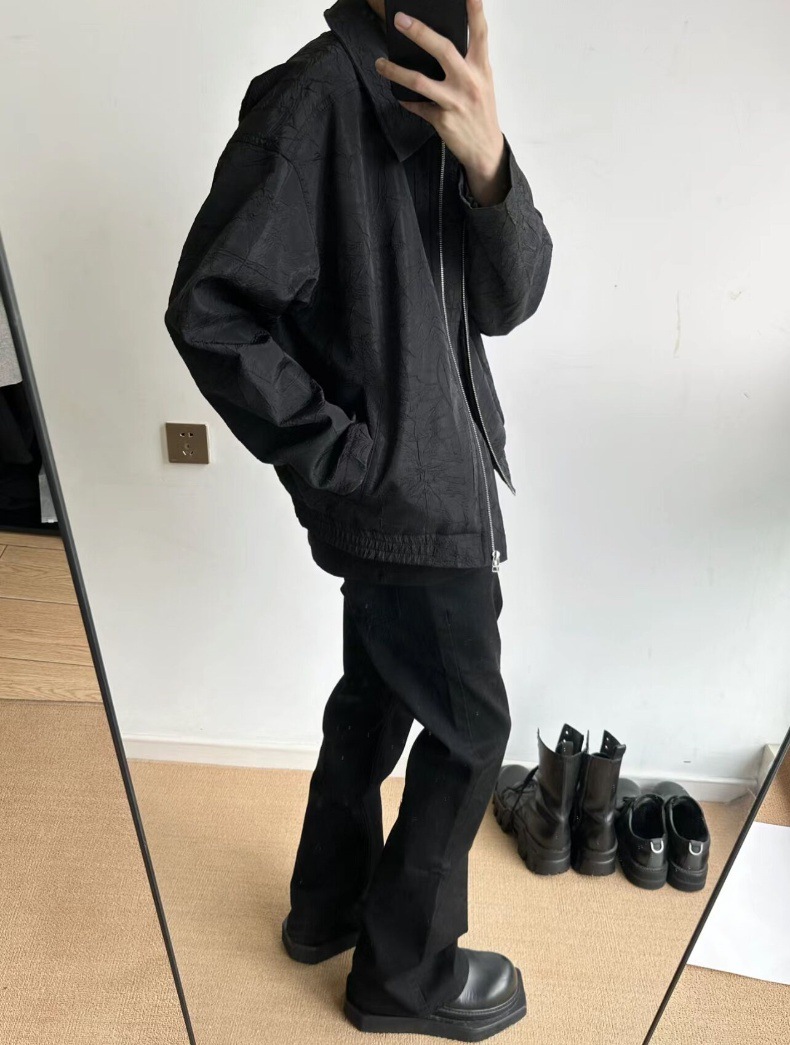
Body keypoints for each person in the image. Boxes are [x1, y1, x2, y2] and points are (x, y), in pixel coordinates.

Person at [163, 0, 552, 1038]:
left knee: (376, 699)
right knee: (470, 728)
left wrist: (488, 162)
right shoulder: (315, 98)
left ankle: (325, 906)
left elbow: (509, 301)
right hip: (404, 495)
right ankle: (403, 978)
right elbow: (210, 309)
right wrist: (349, 461)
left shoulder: (448, 102)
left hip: (430, 478)